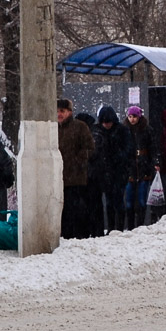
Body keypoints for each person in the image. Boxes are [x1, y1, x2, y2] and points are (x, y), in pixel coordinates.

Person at [57, 98, 95, 239]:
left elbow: (90, 148)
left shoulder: (80, 127)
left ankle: (80, 237)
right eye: (57, 111)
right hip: (58, 179)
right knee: (63, 211)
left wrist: (77, 162)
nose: (59, 114)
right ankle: (65, 237)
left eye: (62, 111)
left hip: (76, 178)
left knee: (77, 210)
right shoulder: (52, 128)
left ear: (70, 112)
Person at [91, 106, 132, 233]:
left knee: (117, 200)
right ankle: (111, 227)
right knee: (109, 201)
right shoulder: (99, 131)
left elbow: (128, 150)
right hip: (105, 172)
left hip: (118, 170)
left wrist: (118, 157)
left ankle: (118, 227)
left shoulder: (121, 131)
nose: (106, 125)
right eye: (104, 123)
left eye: (108, 122)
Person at [123, 106, 156, 229]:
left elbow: (153, 148)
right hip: (130, 169)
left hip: (143, 167)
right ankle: (131, 226)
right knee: (129, 202)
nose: (132, 119)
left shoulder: (147, 130)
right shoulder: (124, 130)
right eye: (130, 116)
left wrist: (153, 164)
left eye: (134, 116)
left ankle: (140, 226)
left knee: (141, 201)